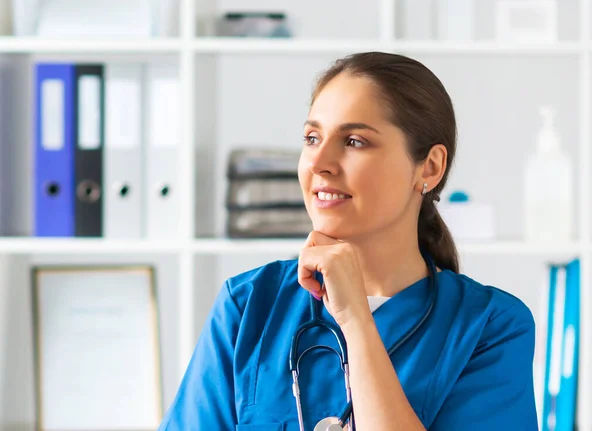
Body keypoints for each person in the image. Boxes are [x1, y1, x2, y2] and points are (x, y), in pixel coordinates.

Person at [157, 51, 538, 430]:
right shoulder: (248, 308)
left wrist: (356, 320)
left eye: (354, 141)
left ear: (430, 167)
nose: (319, 162)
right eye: (311, 137)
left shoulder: (490, 328)